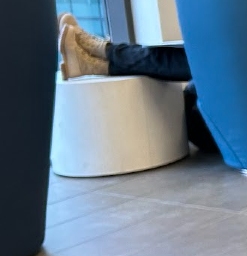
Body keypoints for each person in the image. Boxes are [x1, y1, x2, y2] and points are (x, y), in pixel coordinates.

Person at [57, 14, 218, 153]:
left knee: (205, 63)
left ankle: (103, 54)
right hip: (205, 115)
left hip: (210, 129)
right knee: (206, 61)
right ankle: (97, 62)